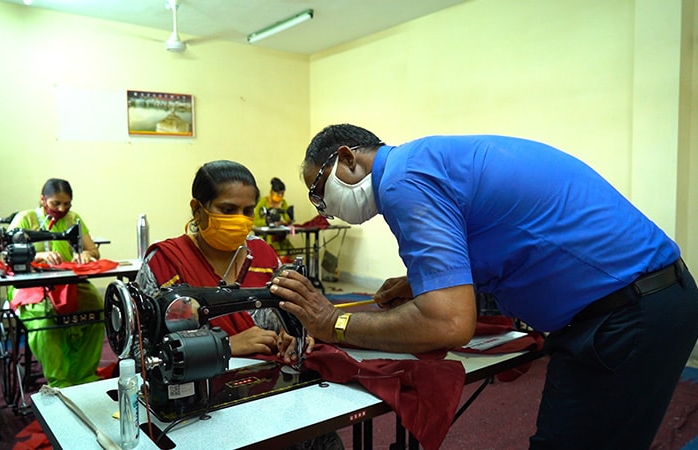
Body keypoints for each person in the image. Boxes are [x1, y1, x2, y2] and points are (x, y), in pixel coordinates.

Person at [271, 124, 698, 449]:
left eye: (318, 191)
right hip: (642, 299)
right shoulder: (425, 160)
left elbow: (448, 323)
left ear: (347, 159)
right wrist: (420, 282)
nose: (325, 211)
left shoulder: (402, 183)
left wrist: (334, 322)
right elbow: (500, 235)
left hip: (629, 314)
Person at [136, 161, 308, 361]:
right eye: (228, 210)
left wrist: (293, 335)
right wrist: (223, 345)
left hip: (269, 379)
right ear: (197, 210)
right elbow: (140, 352)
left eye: (248, 211)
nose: (240, 220)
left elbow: (289, 316)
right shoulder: (163, 264)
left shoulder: (264, 255)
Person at [8, 178, 103, 387]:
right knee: (44, 322)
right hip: (29, 285)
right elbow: (6, 256)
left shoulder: (73, 219)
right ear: (43, 200)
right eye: (55, 204)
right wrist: (38, 256)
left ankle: (84, 377)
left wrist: (86, 254)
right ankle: (60, 381)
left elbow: (94, 250)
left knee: (98, 311)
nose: (62, 209)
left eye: (67, 204)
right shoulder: (26, 219)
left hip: (68, 281)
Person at [253, 177, 294, 255]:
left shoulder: (283, 202)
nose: (280, 196)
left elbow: (288, 219)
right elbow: (255, 220)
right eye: (278, 194)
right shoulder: (263, 202)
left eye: (282, 194)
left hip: (279, 237)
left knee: (289, 253)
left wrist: (284, 221)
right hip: (265, 238)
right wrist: (267, 222)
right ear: (272, 192)